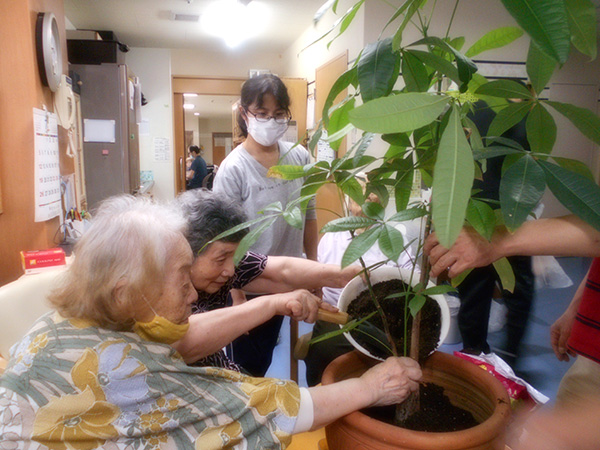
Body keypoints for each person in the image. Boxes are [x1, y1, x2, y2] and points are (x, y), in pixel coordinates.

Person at [0, 195, 422, 448]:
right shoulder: (127, 369)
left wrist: (342, 274)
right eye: (181, 277)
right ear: (124, 292)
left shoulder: (67, 319)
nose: (192, 294)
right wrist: (370, 387)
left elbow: (279, 273)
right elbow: (265, 406)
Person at [176, 188, 362, 372]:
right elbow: (184, 342)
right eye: (220, 259)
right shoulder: (162, 283)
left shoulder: (222, 267)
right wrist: (273, 304)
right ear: (186, 251)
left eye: (233, 257)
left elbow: (280, 272)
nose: (230, 270)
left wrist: (340, 276)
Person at [424, 214, 600, 409]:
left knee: (517, 289)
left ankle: (507, 357)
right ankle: (476, 355)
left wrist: (496, 240)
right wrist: (579, 307)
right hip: (591, 353)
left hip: (503, 222)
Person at [212, 74, 318, 376]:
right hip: (251, 283)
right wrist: (237, 297)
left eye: (279, 114)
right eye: (262, 114)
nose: (271, 121)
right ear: (245, 114)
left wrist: (314, 268)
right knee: (250, 364)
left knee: (285, 351)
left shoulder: (298, 157)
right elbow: (223, 239)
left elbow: (309, 217)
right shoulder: (234, 169)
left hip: (291, 277)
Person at [304, 182, 415, 385]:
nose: (366, 199)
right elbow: (317, 278)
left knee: (396, 351)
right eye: (359, 194)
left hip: (385, 316)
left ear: (381, 203)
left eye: (372, 194)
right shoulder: (332, 236)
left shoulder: (393, 236)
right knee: (325, 352)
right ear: (348, 201)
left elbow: (412, 280)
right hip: (337, 314)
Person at [454, 98, 535, 368]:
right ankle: (511, 351)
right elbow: (530, 170)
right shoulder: (524, 118)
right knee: (519, 287)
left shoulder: (473, 113)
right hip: (511, 213)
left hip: (475, 208)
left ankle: (474, 351)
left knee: (474, 289)